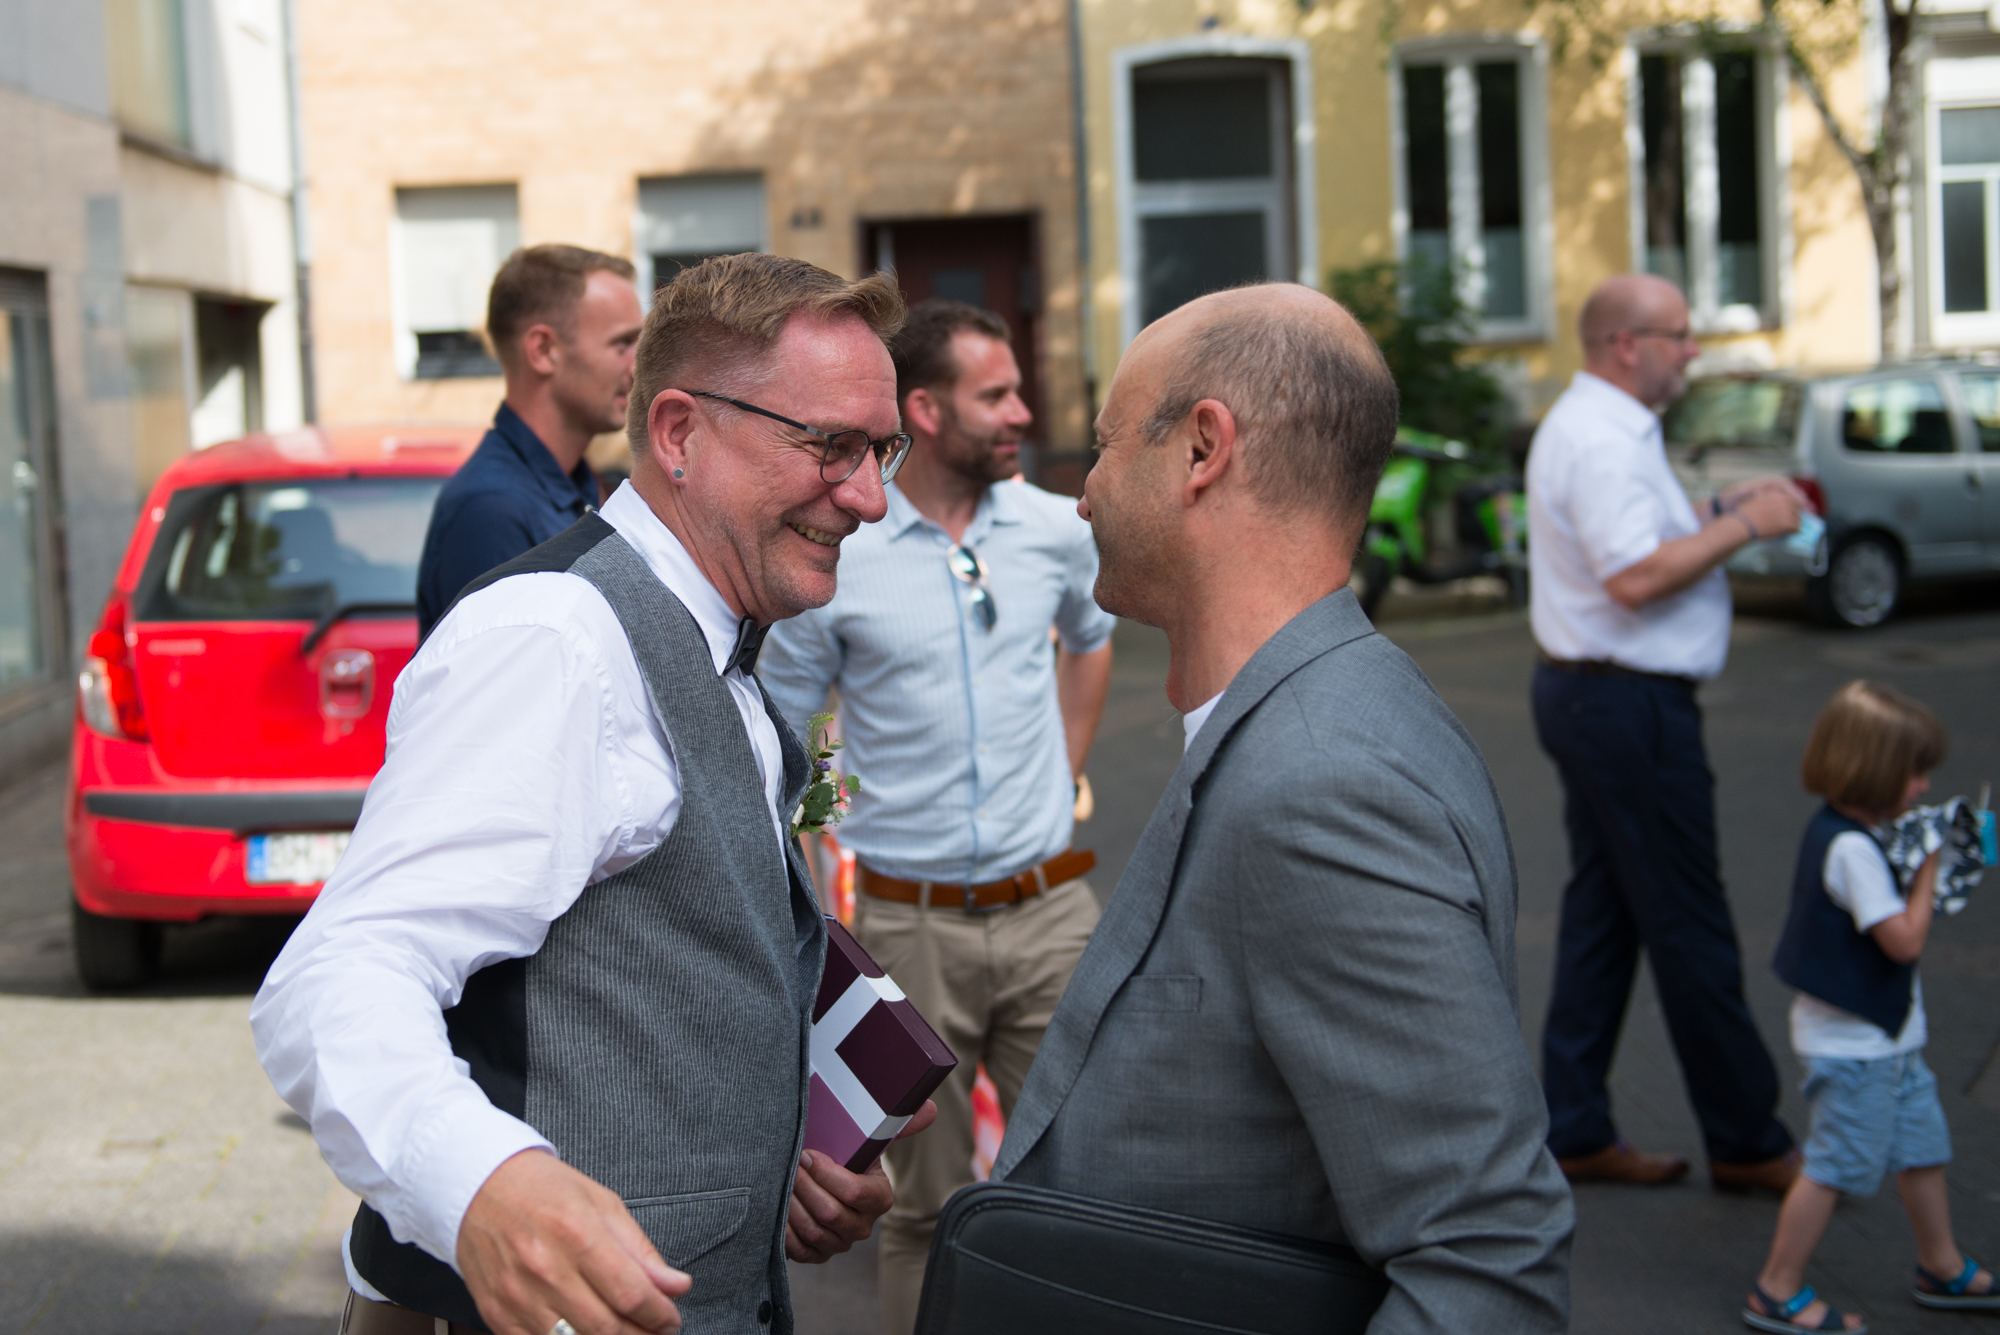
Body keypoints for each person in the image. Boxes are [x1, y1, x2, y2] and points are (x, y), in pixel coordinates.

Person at [252, 253, 937, 1335]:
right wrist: (483, 1183)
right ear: (678, 433)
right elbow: (340, 972)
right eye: (830, 447)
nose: (870, 496)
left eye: (880, 449)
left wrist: (784, 1155)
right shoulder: (554, 640)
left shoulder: (710, 634)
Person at [991, 282, 1574, 1329]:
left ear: (1202, 449)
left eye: (1106, 444)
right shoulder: (1316, 718)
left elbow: (1486, 1255)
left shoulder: (1325, 786)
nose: (1082, 494)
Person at [760, 298, 1115, 1335]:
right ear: (925, 408)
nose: (1021, 413)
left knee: (1084, 1187)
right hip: (907, 928)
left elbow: (1090, 638)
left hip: (1053, 913)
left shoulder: (1054, 529)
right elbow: (803, 721)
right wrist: (828, 824)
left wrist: (1066, 769)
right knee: (922, 1210)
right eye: (995, 394)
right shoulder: (845, 550)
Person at [1529, 273, 1808, 1192]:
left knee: (1605, 918)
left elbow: (1644, 542)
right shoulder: (1601, 439)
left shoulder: (1603, 427)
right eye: (1679, 334)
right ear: (1626, 345)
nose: (1693, 350)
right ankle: (1747, 1140)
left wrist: (1720, 512)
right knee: (1689, 919)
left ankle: (1574, 1126)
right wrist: (1749, 526)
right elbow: (1636, 577)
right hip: (1627, 708)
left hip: (1599, 701)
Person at [1743, 681, 1998, 1334]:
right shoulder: (1851, 849)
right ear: (1874, 770)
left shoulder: (1853, 829)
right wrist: (1930, 865)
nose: (1924, 785)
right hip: (1855, 1051)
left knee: (1923, 1149)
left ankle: (1940, 1264)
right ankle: (1776, 1287)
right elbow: (1904, 941)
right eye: (1915, 772)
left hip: (1890, 1041)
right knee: (1833, 1166)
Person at [415, 243, 643, 638]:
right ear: (543, 350)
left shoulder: (577, 483)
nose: (637, 367)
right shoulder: (492, 510)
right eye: (621, 344)